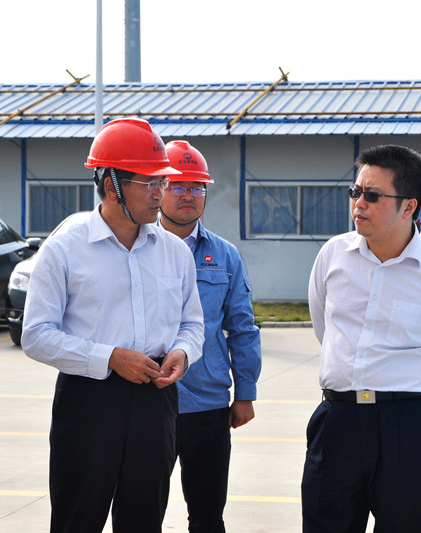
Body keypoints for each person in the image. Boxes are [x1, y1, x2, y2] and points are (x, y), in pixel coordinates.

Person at [21, 118, 205, 533]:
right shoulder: (65, 249)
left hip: (156, 400)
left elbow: (192, 322)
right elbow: (36, 335)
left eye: (162, 182)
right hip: (89, 401)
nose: (160, 193)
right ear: (111, 186)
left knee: (144, 518)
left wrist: (183, 352)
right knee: (77, 518)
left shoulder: (174, 252)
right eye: (150, 183)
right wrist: (109, 358)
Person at [302, 144, 421, 533]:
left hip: (410, 427)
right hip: (338, 420)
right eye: (355, 192)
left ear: (408, 207)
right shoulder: (333, 256)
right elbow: (325, 328)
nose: (358, 204)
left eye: (372, 195)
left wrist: (407, 383)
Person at [158, 140, 262, 532]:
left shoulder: (225, 256)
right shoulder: (137, 248)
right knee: (140, 510)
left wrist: (245, 393)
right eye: (177, 185)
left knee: (207, 515)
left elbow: (242, 329)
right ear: (158, 188)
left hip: (207, 405)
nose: (188, 195)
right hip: (147, 401)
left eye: (196, 187)